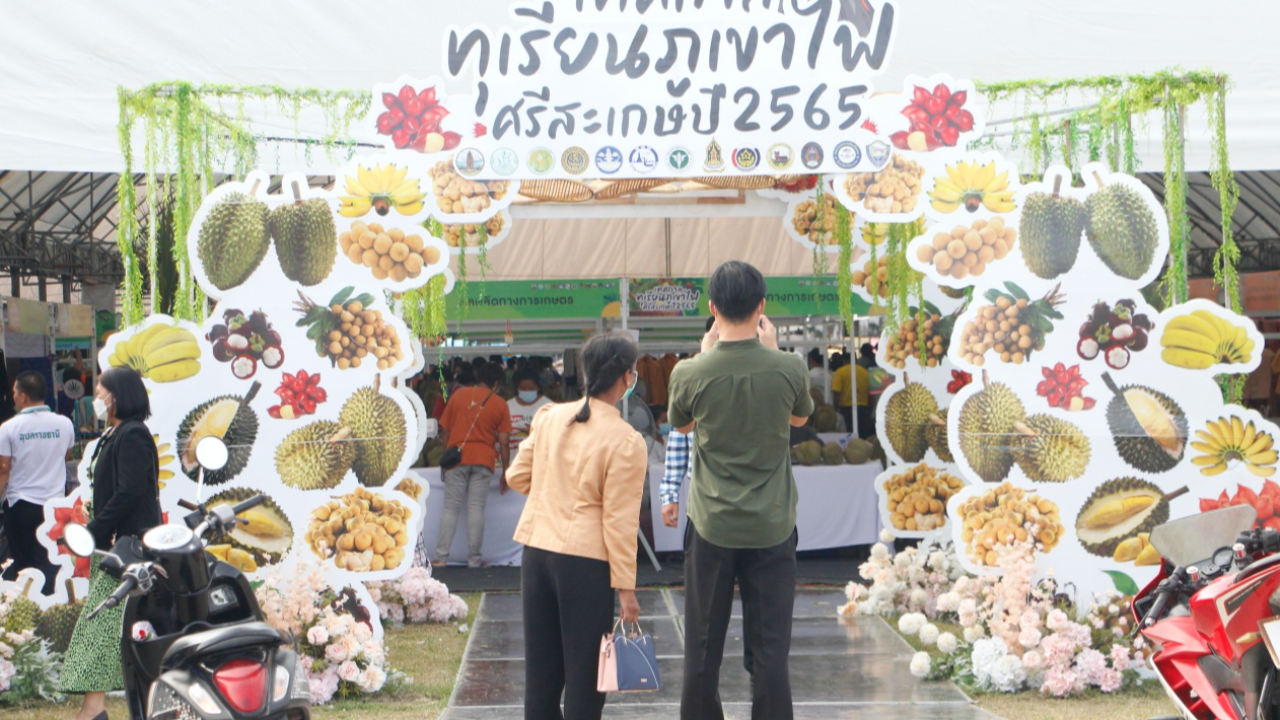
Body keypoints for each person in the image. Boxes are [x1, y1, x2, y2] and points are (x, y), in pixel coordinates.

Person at [667, 261, 814, 720]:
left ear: (712, 309)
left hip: (711, 524)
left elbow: (683, 424)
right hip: (772, 524)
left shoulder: (689, 372)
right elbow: (799, 419)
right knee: (771, 651)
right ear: (761, 307)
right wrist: (771, 350)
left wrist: (703, 353)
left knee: (702, 648)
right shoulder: (789, 367)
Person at [506, 332, 648, 720]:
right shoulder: (626, 440)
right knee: (586, 681)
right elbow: (619, 523)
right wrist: (626, 591)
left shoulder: (550, 416)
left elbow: (517, 476)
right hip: (584, 564)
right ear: (625, 377)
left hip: (536, 553)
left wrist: (555, 489)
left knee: (542, 677)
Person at [60, 367, 161, 720]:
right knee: (108, 629)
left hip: (130, 550)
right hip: (118, 547)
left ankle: (93, 711)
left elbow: (130, 492)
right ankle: (94, 709)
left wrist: (95, 529)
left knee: (101, 626)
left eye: (100, 391)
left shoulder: (132, 434)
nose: (96, 398)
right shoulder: (117, 433)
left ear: (116, 395)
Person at [0, 371, 74, 594]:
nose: (13, 397)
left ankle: (26, 608)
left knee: (23, 563)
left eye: (14, 392)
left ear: (22, 396)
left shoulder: (9, 428)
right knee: (50, 558)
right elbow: (66, 456)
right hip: (55, 507)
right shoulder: (64, 423)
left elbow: (4, 469)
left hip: (20, 505)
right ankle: (49, 602)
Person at [434, 362, 511, 568]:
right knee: (476, 508)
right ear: (496, 383)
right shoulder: (500, 404)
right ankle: (474, 560)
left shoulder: (458, 396)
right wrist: (506, 471)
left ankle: (441, 558)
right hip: (484, 459)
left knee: (451, 508)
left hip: (456, 459)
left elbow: (445, 430)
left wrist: (448, 453)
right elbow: (503, 441)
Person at [507, 367, 551, 453]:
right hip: (512, 460)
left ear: (538, 388)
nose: (527, 391)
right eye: (523, 389)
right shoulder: (507, 406)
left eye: (530, 389)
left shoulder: (548, 407)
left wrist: (533, 432)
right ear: (517, 388)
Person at [831, 356, 854, 434]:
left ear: (844, 361)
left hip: (845, 407)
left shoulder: (840, 372)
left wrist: (835, 408)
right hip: (864, 407)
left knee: (848, 431)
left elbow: (836, 392)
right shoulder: (864, 371)